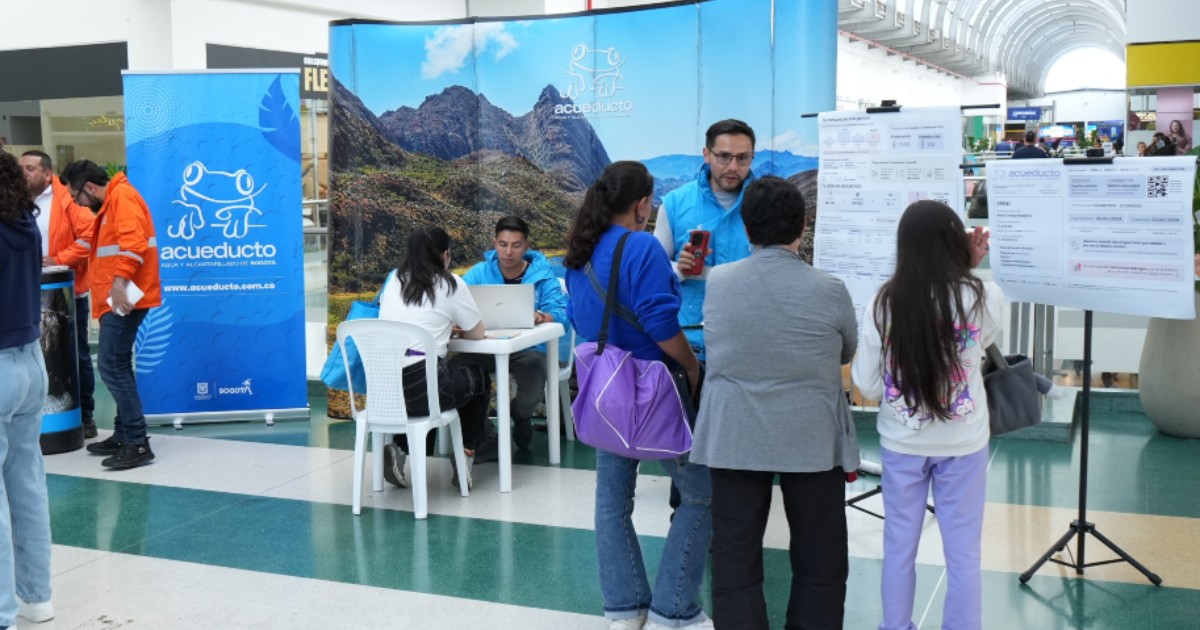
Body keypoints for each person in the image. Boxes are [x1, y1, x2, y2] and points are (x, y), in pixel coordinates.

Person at [692, 176, 859, 629]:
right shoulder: (830, 289)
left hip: (734, 433)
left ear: (747, 228)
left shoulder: (720, 283)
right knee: (820, 558)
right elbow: (845, 352)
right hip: (811, 437)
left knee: (734, 557)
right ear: (803, 226)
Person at [564, 161, 708, 630]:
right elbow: (662, 324)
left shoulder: (579, 254)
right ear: (643, 203)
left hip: (605, 389)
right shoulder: (642, 246)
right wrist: (690, 364)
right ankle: (673, 608)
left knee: (611, 503)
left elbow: (583, 320)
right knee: (704, 496)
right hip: (655, 387)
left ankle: (625, 609)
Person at [851, 200, 1001, 630]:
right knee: (964, 554)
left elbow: (869, 383)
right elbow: (983, 340)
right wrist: (970, 269)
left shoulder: (884, 302)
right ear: (955, 242)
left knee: (899, 546)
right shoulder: (982, 294)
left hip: (902, 443)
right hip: (964, 444)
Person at [59, 160, 162, 470]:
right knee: (118, 366)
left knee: (111, 366)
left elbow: (134, 244)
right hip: (118, 297)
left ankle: (137, 442)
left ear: (90, 187)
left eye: (76, 196)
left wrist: (119, 283)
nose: (76, 202)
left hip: (124, 297)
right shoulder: (114, 200)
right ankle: (124, 434)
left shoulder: (122, 198)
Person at [379, 226, 495, 491]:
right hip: (423, 390)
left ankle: (399, 448)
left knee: (433, 383)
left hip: (385, 392)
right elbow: (477, 333)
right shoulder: (450, 283)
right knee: (477, 378)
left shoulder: (395, 280)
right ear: (445, 255)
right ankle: (464, 453)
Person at [0, 151, 55, 628]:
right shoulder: (24, 226)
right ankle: (37, 599)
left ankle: (1, 612)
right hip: (31, 363)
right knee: (27, 483)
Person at [459, 215, 568, 449]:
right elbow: (456, 299)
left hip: (528, 350)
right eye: (503, 244)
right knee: (454, 370)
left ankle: (520, 415)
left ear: (526, 246)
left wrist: (541, 317)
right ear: (494, 243)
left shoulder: (542, 274)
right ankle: (480, 433)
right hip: (484, 348)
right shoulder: (479, 272)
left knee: (536, 373)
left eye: (516, 245)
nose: (509, 252)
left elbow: (561, 313)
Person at [653, 118, 758, 362]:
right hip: (689, 346)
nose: (733, 166)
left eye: (743, 158)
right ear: (706, 154)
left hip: (748, 345)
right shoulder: (675, 203)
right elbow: (654, 269)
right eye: (724, 156)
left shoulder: (766, 204)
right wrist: (680, 269)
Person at [20, 151, 98, 439]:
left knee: (76, 354)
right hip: (27, 293)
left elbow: (91, 237)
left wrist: (59, 258)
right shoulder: (15, 200)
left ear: (46, 172)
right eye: (21, 169)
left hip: (67, 292)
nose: (24, 173)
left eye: (30, 168)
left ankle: (86, 414)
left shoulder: (67, 199)